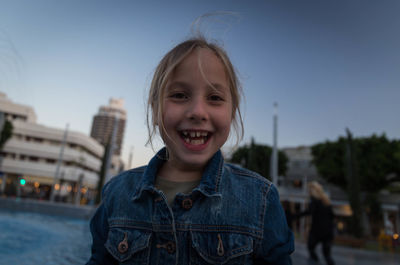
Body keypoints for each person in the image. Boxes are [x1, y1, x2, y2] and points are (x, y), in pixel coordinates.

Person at [86, 36, 294, 264]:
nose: (198, 111)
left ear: (232, 113)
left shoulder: (260, 200)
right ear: (155, 110)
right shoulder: (117, 193)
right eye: (179, 95)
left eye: (215, 98)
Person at [298, 181, 335, 265]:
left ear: (312, 191)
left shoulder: (314, 201)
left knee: (310, 247)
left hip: (317, 231)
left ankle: (316, 262)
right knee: (327, 255)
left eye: (309, 191)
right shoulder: (326, 201)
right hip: (328, 231)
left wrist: (296, 215)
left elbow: (309, 211)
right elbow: (332, 216)